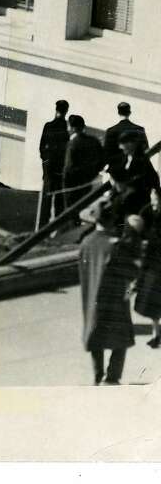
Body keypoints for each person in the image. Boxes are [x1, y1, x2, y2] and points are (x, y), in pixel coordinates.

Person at [78, 201, 136, 384]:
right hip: (115, 298)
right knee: (121, 337)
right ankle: (112, 376)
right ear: (112, 220)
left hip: (92, 296)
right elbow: (131, 271)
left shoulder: (85, 244)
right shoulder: (115, 245)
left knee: (96, 333)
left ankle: (97, 374)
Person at [131, 188, 161, 348]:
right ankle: (157, 334)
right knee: (153, 303)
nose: (154, 203)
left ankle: (157, 335)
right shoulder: (148, 212)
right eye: (152, 199)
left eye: (156, 199)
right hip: (153, 263)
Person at [109, 132, 160, 219]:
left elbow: (152, 180)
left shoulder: (142, 161)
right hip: (124, 198)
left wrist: (130, 186)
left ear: (132, 144)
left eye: (123, 144)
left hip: (136, 201)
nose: (120, 147)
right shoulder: (125, 158)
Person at [39, 100, 71, 226]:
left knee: (47, 200)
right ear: (66, 111)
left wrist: (46, 164)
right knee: (58, 202)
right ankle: (54, 227)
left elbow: (42, 148)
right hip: (58, 170)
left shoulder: (49, 126)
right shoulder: (66, 128)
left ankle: (42, 226)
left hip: (50, 170)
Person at [63, 115, 105, 212]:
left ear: (71, 127)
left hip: (72, 185)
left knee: (72, 212)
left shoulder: (72, 143)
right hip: (89, 181)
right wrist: (93, 173)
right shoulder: (94, 141)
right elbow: (102, 160)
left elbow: (68, 167)